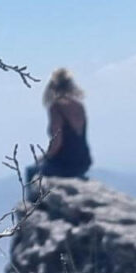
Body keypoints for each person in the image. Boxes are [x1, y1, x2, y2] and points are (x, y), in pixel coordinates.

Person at [25, 68, 92, 201]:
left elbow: (57, 142)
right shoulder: (79, 106)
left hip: (65, 164)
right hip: (83, 162)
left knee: (31, 171)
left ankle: (34, 208)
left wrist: (45, 157)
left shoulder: (56, 108)